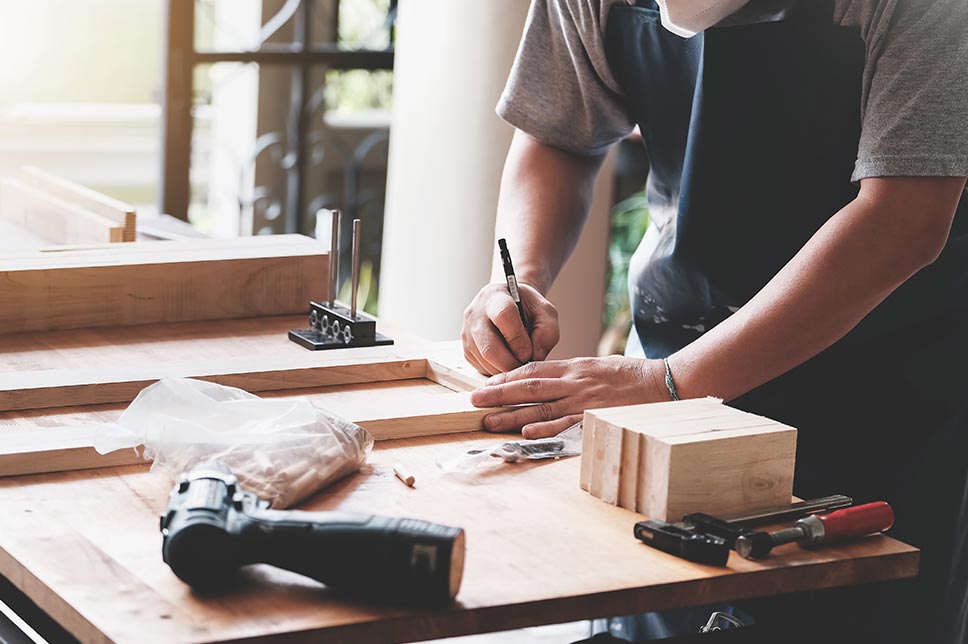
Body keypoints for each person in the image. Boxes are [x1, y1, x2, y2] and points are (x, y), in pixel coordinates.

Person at [460, 0, 968, 640]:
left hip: (878, 394)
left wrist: (669, 382)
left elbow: (903, 221)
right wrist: (522, 276)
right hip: (672, 378)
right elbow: (557, 134)